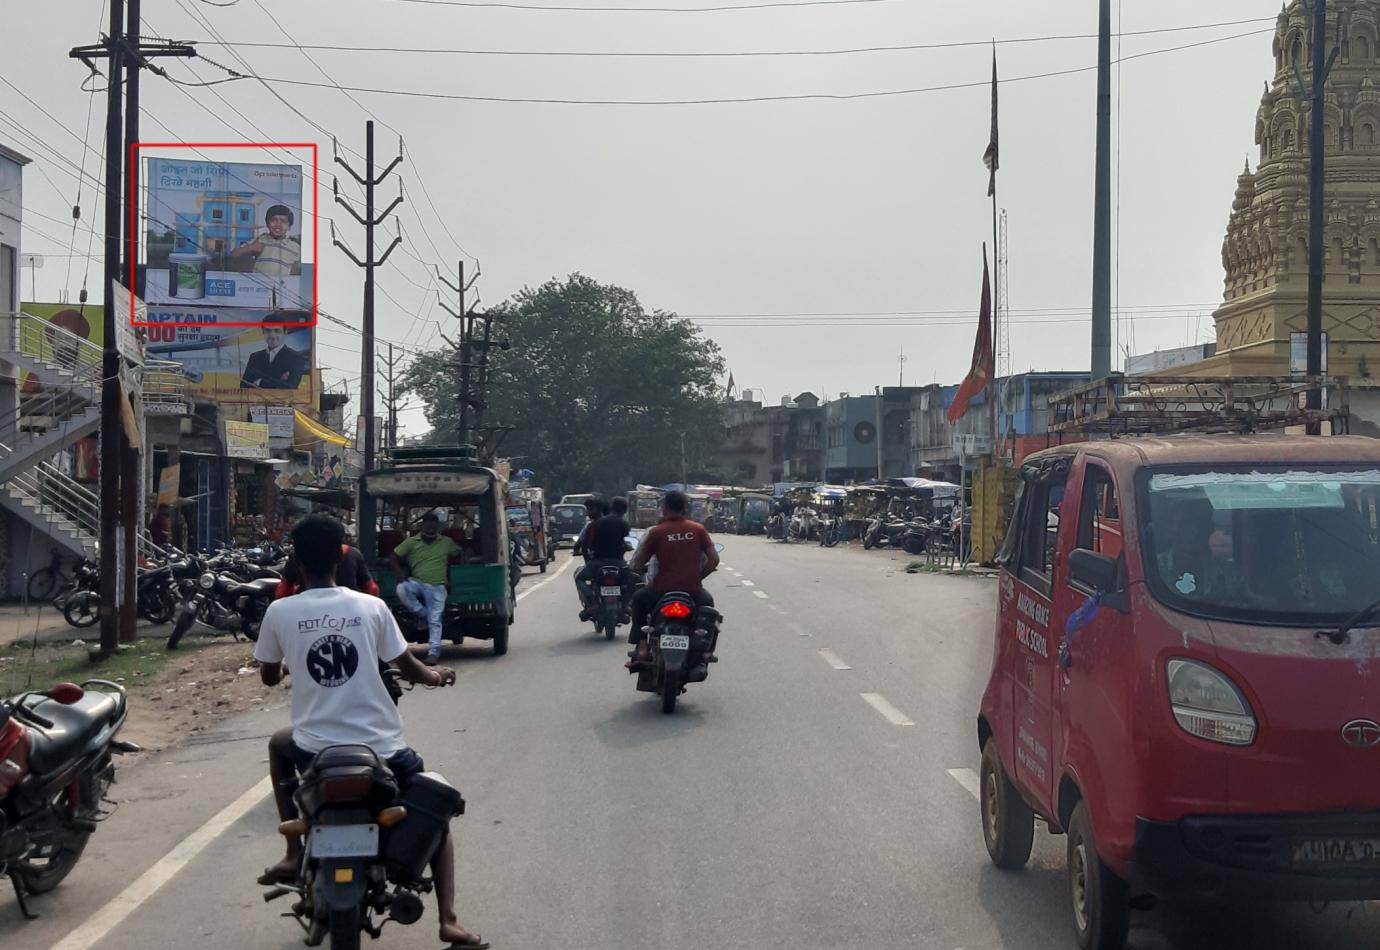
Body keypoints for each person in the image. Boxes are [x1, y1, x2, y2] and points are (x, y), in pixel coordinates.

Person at [252, 515, 487, 949]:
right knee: (436, 815)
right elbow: (409, 667)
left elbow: (268, 677)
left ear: (297, 563)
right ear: (341, 558)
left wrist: (290, 664)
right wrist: (436, 676)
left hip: (313, 751)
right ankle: (449, 920)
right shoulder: (371, 607)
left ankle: (291, 853)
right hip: (382, 751)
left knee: (277, 744)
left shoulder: (280, 611)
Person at [626, 490, 719, 668]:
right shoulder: (698, 529)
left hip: (661, 591)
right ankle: (706, 651)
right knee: (708, 606)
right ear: (685, 508)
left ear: (664, 508)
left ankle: (643, 646)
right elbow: (714, 560)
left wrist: (636, 569)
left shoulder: (657, 532)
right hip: (692, 591)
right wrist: (698, 578)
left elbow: (639, 562)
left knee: (638, 599)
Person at [390, 512, 462, 665]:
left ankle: (433, 654)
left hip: (438, 586)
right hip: (417, 583)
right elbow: (393, 557)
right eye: (428, 526)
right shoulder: (411, 542)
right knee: (402, 589)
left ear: (438, 527)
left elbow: (459, 552)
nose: (430, 530)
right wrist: (400, 573)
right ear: (422, 526)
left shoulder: (446, 542)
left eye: (433, 527)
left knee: (435, 619)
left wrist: (466, 555)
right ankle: (422, 615)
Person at [574, 496, 632, 620]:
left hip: (597, 563)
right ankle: (626, 605)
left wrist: (589, 562)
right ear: (625, 511)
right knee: (633, 580)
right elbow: (623, 541)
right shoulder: (623, 524)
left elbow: (585, 547)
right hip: (618, 563)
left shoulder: (594, 525)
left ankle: (592, 601)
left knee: (579, 578)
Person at [230, 203, 302, 277]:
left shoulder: (295, 248)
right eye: (274, 220)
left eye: (283, 221)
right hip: (259, 285)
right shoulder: (260, 240)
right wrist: (250, 248)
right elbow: (234, 254)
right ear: (267, 223)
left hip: (280, 286)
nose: (278, 224)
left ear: (289, 226)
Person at [240, 314, 307, 389]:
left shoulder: (296, 358)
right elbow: (244, 386)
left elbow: (290, 387)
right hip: (256, 401)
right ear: (263, 333)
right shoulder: (254, 357)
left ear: (285, 333)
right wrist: (279, 380)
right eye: (268, 331)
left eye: (277, 331)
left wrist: (259, 382)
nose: (272, 335)